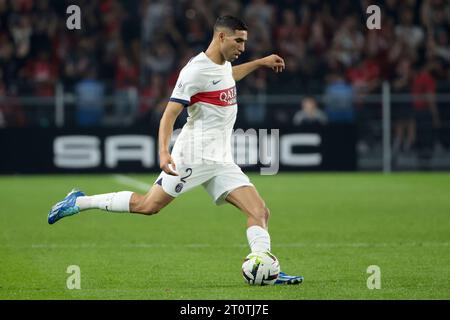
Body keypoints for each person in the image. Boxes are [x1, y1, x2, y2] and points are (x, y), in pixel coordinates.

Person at [48, 16, 303, 285]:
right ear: (220, 37)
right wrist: (163, 151)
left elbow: (228, 77)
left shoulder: (224, 66)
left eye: (244, 42)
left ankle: (265, 267)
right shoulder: (194, 71)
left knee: (259, 211)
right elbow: (168, 115)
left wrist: (260, 63)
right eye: (238, 41)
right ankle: (78, 202)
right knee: (148, 206)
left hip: (220, 158)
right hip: (191, 154)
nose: (242, 47)